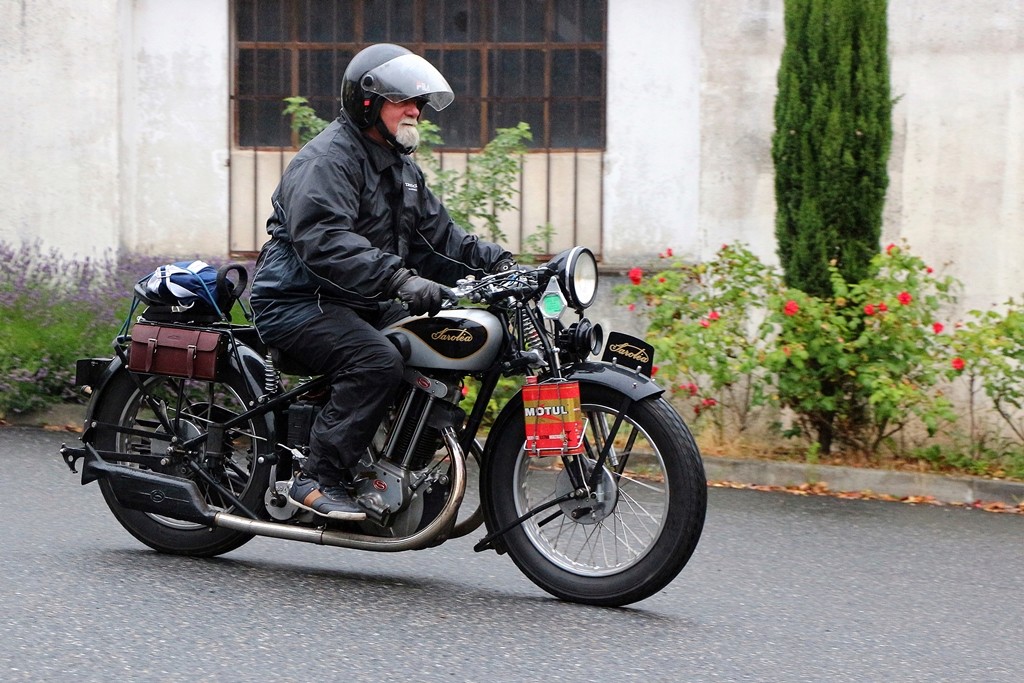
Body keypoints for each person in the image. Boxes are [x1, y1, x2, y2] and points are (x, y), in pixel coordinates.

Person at [250, 44, 514, 521]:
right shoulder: (330, 160)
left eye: (419, 103)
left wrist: (502, 265)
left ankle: (399, 463)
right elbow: (325, 240)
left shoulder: (401, 168)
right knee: (376, 361)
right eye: (403, 101)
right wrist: (400, 278)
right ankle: (317, 477)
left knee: (441, 341)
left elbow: (441, 241)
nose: (416, 110)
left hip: (360, 299)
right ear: (368, 102)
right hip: (297, 299)